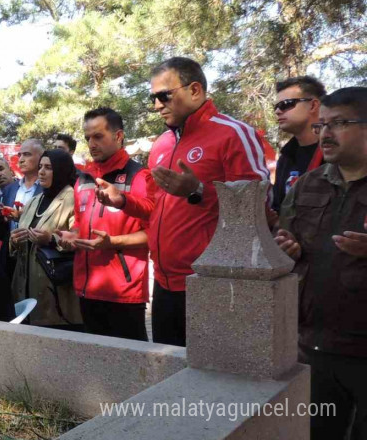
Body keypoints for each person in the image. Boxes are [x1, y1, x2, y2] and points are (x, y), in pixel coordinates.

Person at [95, 57, 269, 346]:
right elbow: (154, 209)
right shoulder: (162, 144)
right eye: (152, 97)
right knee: (170, 376)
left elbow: (258, 208)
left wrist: (198, 190)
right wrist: (123, 201)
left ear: (195, 90)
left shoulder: (233, 134)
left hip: (211, 282)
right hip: (164, 285)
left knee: (211, 380)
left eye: (164, 95)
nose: (156, 105)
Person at [275, 87, 367, 440]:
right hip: (314, 347)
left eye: (340, 123)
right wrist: (288, 248)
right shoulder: (308, 184)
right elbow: (287, 239)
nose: (325, 134)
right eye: (322, 125)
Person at [57, 108, 151, 341]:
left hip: (124, 292)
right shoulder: (83, 179)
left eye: (98, 136)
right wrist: (71, 236)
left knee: (131, 366)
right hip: (87, 289)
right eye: (88, 137)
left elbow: (154, 234)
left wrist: (112, 243)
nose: (91, 144)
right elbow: (80, 224)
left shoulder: (139, 176)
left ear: (118, 136)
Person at [10, 149, 82, 331]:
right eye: (41, 166)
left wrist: (51, 239)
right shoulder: (34, 201)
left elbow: (80, 238)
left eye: (48, 167)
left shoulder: (74, 198)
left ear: (61, 170)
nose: (41, 171)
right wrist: (14, 240)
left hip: (56, 293)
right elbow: (17, 243)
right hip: (26, 289)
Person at [270, 76, 326, 216]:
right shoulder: (286, 157)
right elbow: (279, 208)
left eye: (286, 104)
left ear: (313, 105)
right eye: (276, 107)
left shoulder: (339, 153)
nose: (278, 111)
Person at [0, 138, 44, 231]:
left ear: (41, 157)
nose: (21, 160)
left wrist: (22, 217)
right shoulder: (9, 190)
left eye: (27, 154)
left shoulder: (49, 188)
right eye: (19, 155)